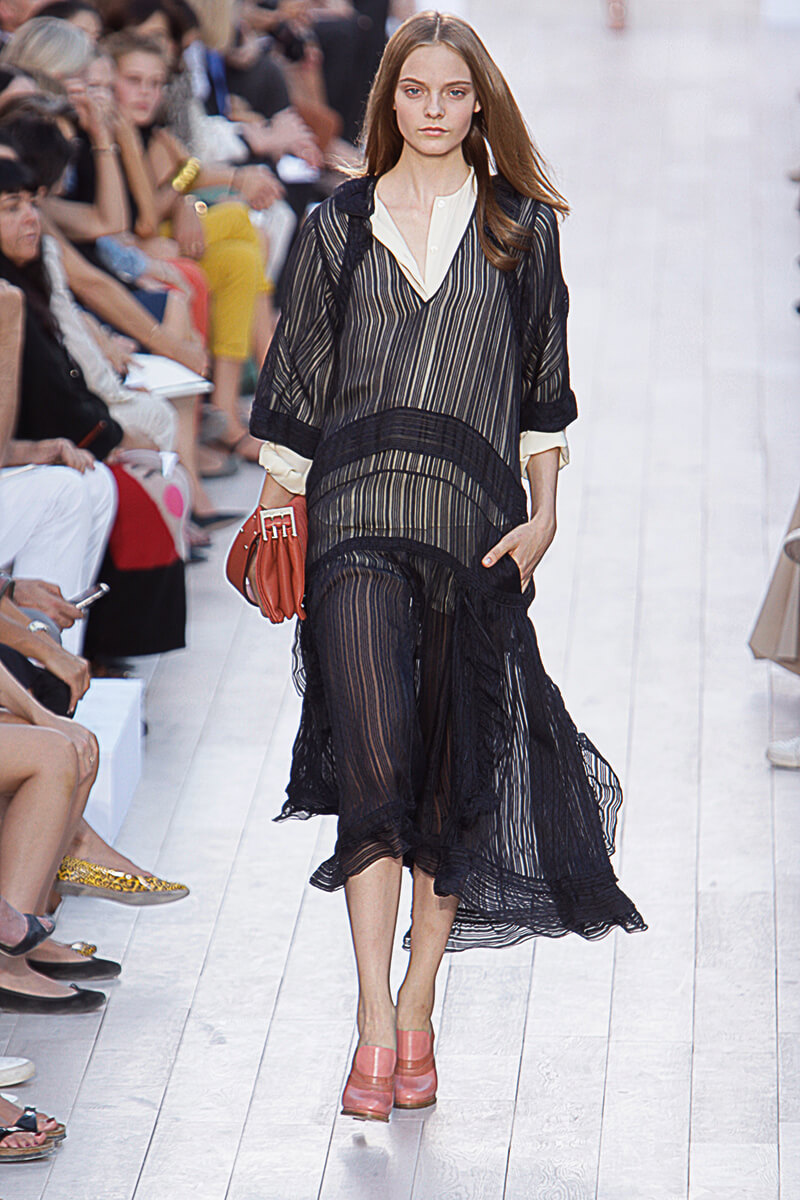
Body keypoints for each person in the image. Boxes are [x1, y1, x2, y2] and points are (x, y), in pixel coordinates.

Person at [247, 11, 646, 1122]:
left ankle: (421, 994)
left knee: (446, 779)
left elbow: (543, 389)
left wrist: (547, 514)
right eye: (414, 90)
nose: (433, 109)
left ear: (479, 104)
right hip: (353, 524)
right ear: (390, 100)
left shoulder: (521, 227)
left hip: (473, 530)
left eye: (453, 93)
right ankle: (374, 1021)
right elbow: (298, 380)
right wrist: (278, 511)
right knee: (374, 773)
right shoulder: (338, 225)